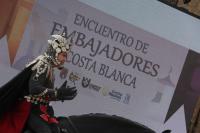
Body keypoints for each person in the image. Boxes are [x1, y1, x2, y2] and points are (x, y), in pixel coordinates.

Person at [0, 33, 77, 133]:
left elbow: (43, 96)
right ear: (54, 52)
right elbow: (34, 89)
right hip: (29, 109)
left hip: (41, 110)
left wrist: (60, 95)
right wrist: (57, 93)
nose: (64, 59)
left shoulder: (49, 68)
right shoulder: (43, 64)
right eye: (63, 55)